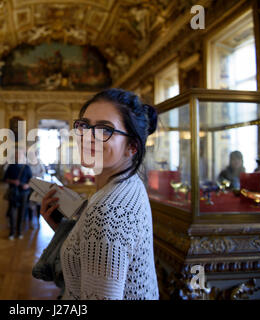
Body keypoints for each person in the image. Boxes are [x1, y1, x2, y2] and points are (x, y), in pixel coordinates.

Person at [40, 88, 159, 300]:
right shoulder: (127, 184)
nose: (88, 137)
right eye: (84, 126)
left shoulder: (109, 211)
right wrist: (63, 230)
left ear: (132, 146)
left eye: (105, 130)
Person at [4, 149, 33, 240]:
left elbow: (31, 180)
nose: (18, 157)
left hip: (24, 193)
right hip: (13, 192)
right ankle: (12, 232)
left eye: (20, 155)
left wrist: (27, 185)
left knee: (22, 212)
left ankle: (19, 231)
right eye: (17, 155)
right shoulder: (11, 167)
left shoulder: (27, 168)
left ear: (23, 156)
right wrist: (13, 181)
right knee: (12, 212)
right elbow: (5, 179)